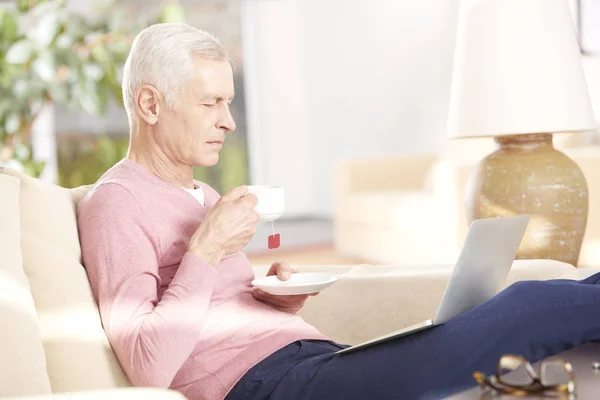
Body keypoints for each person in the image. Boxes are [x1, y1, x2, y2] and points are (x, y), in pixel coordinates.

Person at [77, 22, 600, 400]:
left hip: (319, 360)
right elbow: (148, 365)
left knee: (572, 301)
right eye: (210, 103)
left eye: (229, 102)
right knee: (529, 303)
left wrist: (272, 298)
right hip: (267, 386)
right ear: (149, 105)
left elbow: (208, 304)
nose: (229, 122)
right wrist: (207, 247)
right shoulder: (115, 203)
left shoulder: (204, 197)